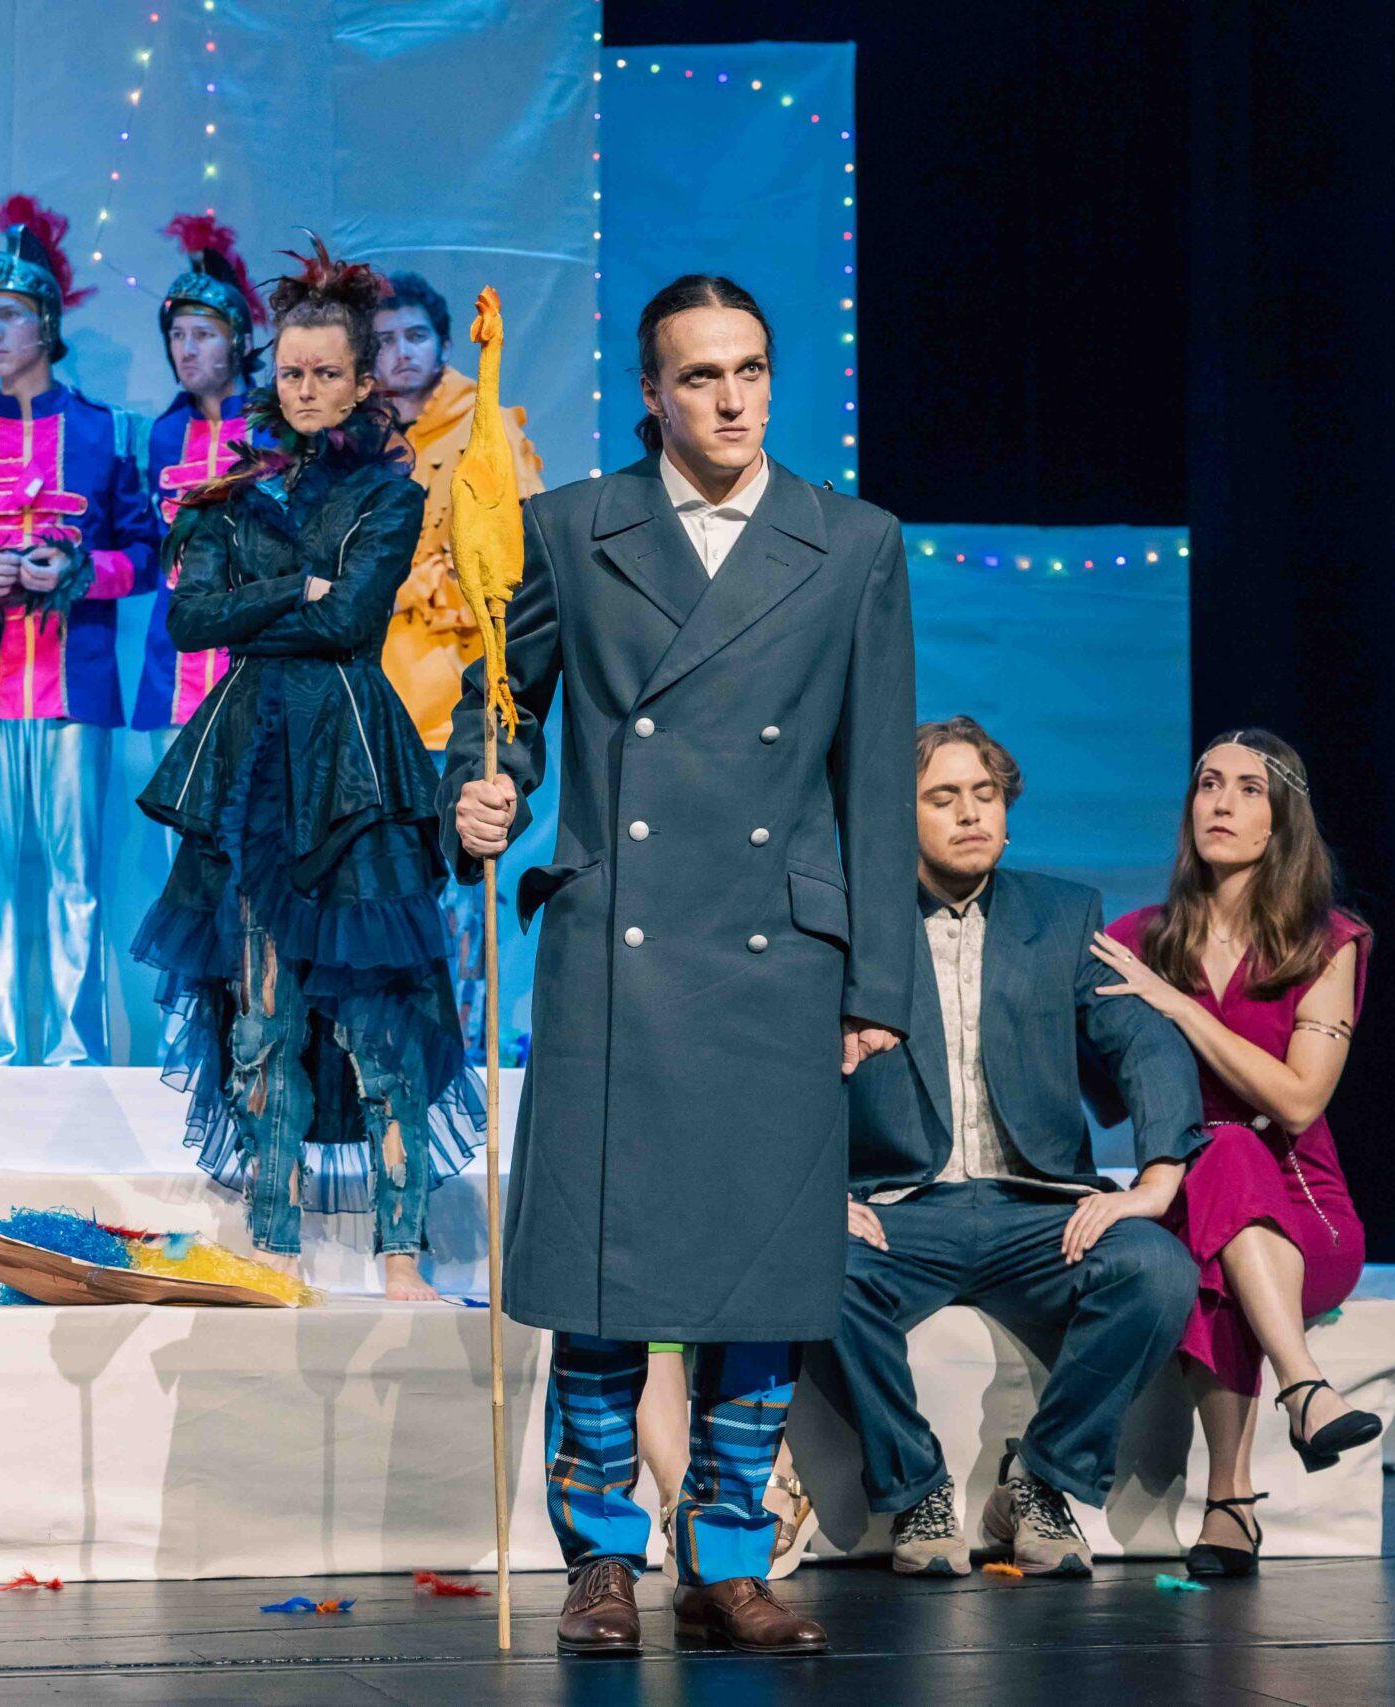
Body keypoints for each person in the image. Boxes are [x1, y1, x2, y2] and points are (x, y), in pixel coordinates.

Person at [447, 274, 913, 1657]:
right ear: (651, 392)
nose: (731, 399)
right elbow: (503, 699)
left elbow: (873, 774)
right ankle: (600, 1555)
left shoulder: (852, 541)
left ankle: (728, 1555)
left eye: (750, 371)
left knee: (758, 1278)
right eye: (700, 376)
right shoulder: (573, 529)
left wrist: (876, 983)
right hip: (617, 944)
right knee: (606, 1275)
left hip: (776, 952)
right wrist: (485, 786)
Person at [133, 237, 482, 1304]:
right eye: (291, 372)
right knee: (263, 1018)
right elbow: (192, 620)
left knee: (377, 1021)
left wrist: (288, 607)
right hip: (251, 766)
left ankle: (400, 1251)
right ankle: (275, 1239)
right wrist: (298, 591)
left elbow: (354, 624)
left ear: (364, 380)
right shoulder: (233, 493)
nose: (307, 389)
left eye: (328, 372)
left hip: (351, 767)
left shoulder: (387, 493)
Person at [810, 716, 1203, 1578]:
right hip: (903, 1208)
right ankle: (917, 1488)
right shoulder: (853, 923)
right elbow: (788, 1065)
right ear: (899, 817)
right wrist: (816, 1196)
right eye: (943, 797)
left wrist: (1158, 1174)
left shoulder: (1061, 914)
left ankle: (1043, 1479)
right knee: (815, 1270)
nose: (970, 814)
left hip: (1038, 1210)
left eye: (984, 795)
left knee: (1156, 1268)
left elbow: (1144, 1040)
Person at [1097, 728, 1381, 1579]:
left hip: (1307, 1209)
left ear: (1280, 820)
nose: (1221, 803)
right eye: (1208, 783)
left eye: (1248, 789)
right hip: (1189, 1204)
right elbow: (1102, 1089)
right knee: (1208, 1206)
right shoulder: (1139, 938)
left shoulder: (1327, 941)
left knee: (1226, 1154)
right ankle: (1291, 1417)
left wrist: (1181, 1010)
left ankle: (1244, 1471)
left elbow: (1297, 1101)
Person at [0, 198, 158, 1067]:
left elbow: (148, 554)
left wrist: (81, 570)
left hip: (75, 681)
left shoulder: (105, 432)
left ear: (48, 323)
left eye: (10, 315)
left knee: (75, 874)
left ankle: (74, 1052)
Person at [373, 270, 547, 1053]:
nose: (401, 352)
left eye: (415, 335)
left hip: (456, 695)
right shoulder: (363, 436)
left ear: (444, 341)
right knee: (386, 893)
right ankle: (397, 1059)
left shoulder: (486, 421)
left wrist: (428, 580)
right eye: (384, 340)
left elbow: (521, 555)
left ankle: (474, 1056)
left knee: (465, 887)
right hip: (377, 701)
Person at [131, 213, 264, 743]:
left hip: (256, 654)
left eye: (204, 335)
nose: (186, 349)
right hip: (175, 663)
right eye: (177, 335)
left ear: (240, 342)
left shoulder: (275, 427)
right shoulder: (163, 434)